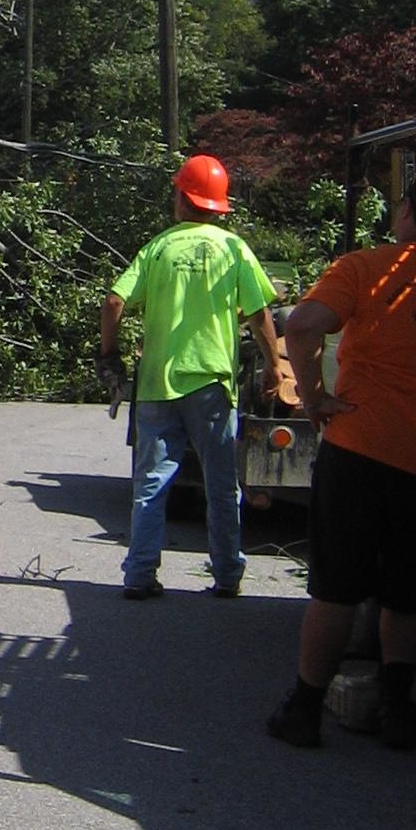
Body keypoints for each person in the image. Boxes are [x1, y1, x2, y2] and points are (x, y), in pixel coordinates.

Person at [267, 162, 416, 753]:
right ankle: (398, 708)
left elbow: (304, 324)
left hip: (356, 449)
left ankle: (305, 708)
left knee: (336, 587)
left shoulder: (364, 267)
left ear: (407, 210)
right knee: (410, 592)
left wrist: (312, 396)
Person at [100, 154, 282, 601]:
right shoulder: (233, 249)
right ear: (219, 207)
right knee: (222, 486)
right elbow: (258, 315)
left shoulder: (158, 247)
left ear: (182, 197)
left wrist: (109, 354)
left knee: (151, 482)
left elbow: (113, 302)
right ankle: (227, 576)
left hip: (159, 384)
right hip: (212, 384)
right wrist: (274, 364)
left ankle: (140, 574)